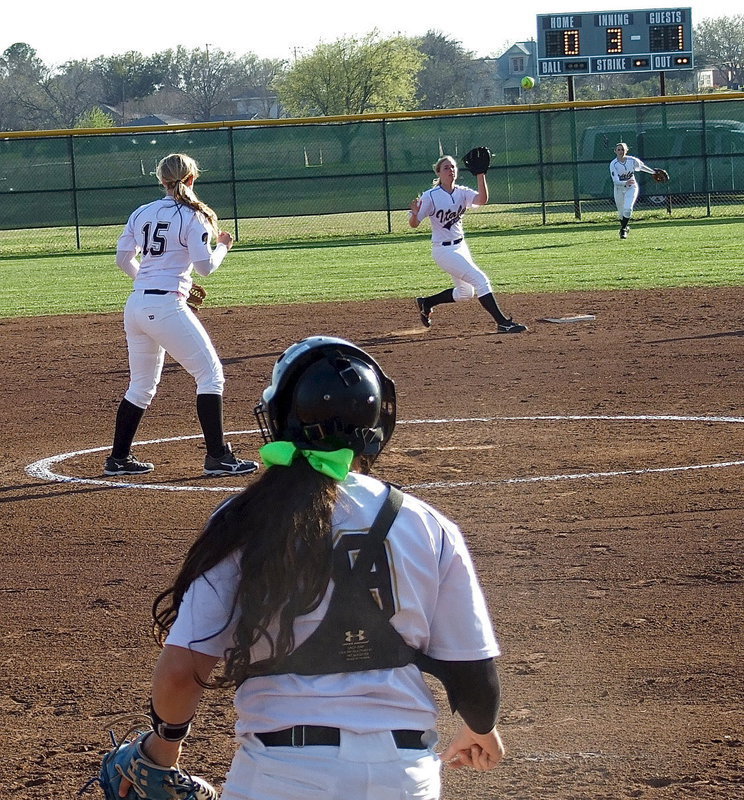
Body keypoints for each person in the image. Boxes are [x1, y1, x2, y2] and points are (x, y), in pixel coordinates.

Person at [116, 336, 505, 800]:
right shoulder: (427, 524)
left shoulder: (243, 518)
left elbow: (182, 671)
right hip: (403, 776)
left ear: (282, 419)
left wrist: (161, 748)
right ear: (377, 422)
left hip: (282, 773)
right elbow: (475, 674)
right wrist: (481, 728)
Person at [104, 152, 258, 477]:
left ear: (162, 179)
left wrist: (147, 281)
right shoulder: (195, 216)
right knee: (211, 375)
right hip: (165, 305)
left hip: (136, 305)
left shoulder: (142, 212)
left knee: (141, 386)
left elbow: (122, 259)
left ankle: (118, 459)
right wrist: (224, 246)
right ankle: (217, 456)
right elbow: (205, 268)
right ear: (191, 179)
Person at [409, 154, 527, 334]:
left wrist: (481, 174)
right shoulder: (430, 196)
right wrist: (415, 213)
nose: (451, 170)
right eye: (446, 168)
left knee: (465, 292)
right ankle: (502, 323)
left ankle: (427, 302)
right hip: (443, 250)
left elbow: (481, 200)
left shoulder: (462, 192)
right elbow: (414, 224)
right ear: (438, 173)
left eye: (453, 167)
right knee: (481, 280)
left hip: (460, 247)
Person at [609, 142, 660, 239]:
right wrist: (625, 183)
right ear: (615, 151)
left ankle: (623, 229)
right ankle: (624, 227)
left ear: (626, 150)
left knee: (628, 208)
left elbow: (641, 167)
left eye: (623, 149)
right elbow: (615, 181)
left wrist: (653, 172)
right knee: (621, 213)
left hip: (631, 187)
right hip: (619, 189)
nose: (621, 151)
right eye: (618, 149)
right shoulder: (613, 164)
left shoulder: (632, 160)